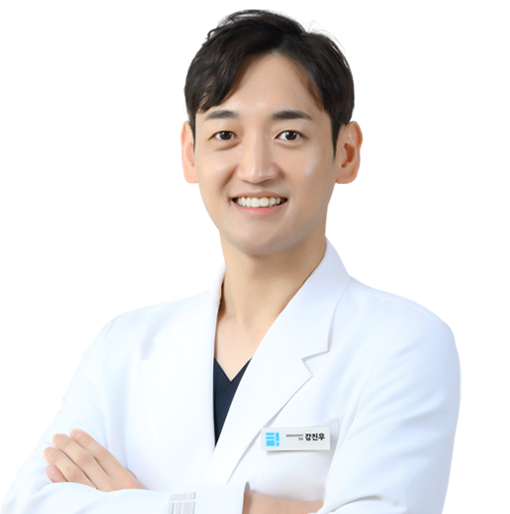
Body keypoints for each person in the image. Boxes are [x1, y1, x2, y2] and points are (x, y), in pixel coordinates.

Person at [1, 10, 460, 514]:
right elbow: (32, 504)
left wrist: (139, 503)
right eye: (225, 135)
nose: (256, 169)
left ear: (345, 153)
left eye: (289, 135)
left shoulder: (403, 345)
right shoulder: (123, 349)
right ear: (190, 154)